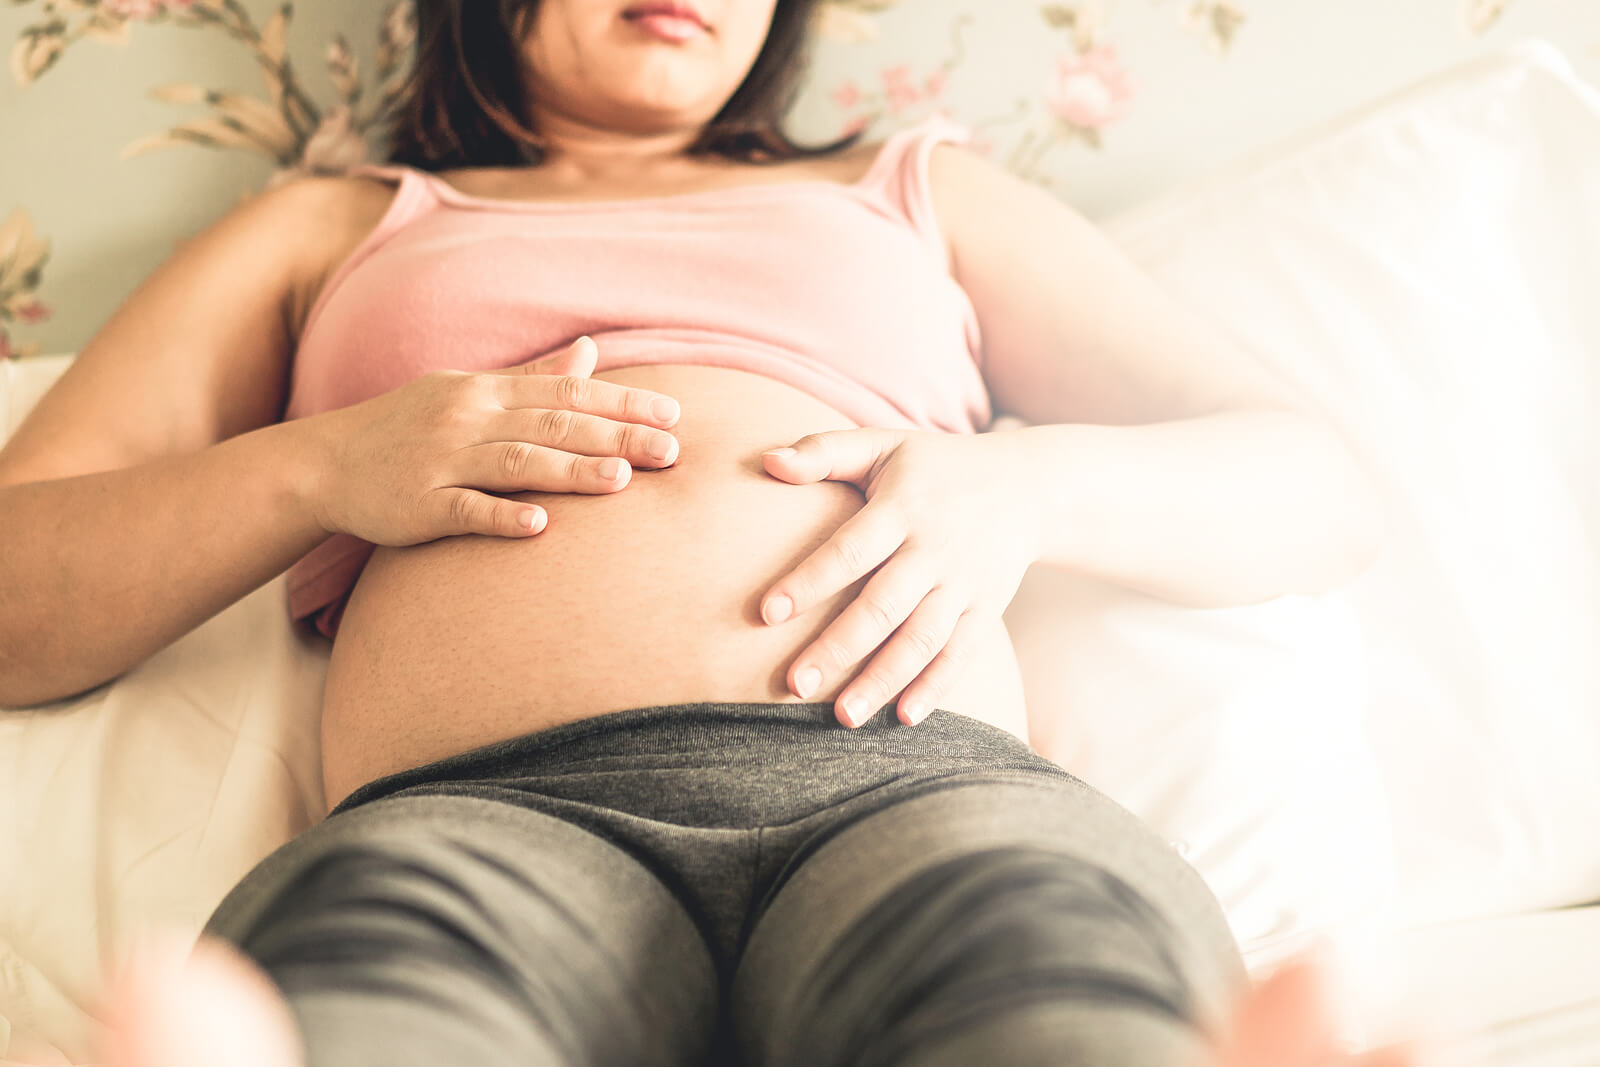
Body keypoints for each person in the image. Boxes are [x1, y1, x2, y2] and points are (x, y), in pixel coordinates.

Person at [0, 0, 1422, 1064]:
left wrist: (1025, 486)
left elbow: (1321, 484)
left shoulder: (908, 192)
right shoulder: (329, 225)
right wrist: (320, 470)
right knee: (392, 995)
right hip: (482, 814)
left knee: (1033, 970)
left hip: (922, 788)